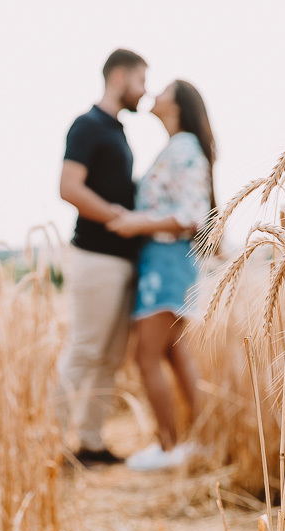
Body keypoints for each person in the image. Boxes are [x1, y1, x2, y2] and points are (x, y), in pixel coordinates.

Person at [106, 80, 216, 471]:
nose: (155, 92)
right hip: (166, 260)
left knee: (147, 354)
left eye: (165, 89)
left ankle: (169, 448)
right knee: (173, 352)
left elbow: (192, 214)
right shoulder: (179, 147)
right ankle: (202, 442)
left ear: (178, 105)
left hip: (166, 260)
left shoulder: (183, 149)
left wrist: (137, 223)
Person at [55, 49, 148, 466]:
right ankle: (53, 445)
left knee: (110, 357)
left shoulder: (117, 130)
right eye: (141, 80)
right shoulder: (87, 125)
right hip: (96, 257)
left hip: (122, 260)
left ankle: (91, 443)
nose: (144, 91)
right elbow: (69, 187)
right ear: (119, 76)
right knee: (85, 349)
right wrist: (117, 217)